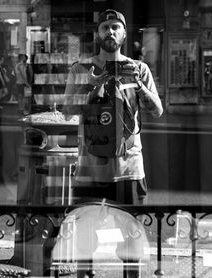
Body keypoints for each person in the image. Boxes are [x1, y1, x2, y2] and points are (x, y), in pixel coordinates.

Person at [63, 9, 163, 278]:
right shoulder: (81, 68)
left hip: (129, 167)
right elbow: (66, 110)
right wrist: (90, 86)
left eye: (116, 27)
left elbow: (157, 110)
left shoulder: (138, 69)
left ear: (124, 34)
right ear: (98, 33)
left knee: (131, 238)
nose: (110, 32)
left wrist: (140, 87)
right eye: (106, 27)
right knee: (85, 238)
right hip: (89, 167)